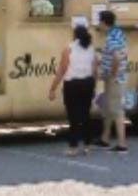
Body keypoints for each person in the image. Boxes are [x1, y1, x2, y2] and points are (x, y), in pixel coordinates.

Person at [48, 25, 97, 156]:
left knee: (73, 116)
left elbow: (62, 70)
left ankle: (73, 146)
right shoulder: (91, 49)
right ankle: (87, 145)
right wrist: (94, 86)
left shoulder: (68, 50)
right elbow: (94, 70)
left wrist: (52, 88)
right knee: (86, 114)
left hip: (72, 84)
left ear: (74, 35)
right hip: (87, 82)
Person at [95, 10, 129, 153]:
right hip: (116, 76)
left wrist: (112, 74)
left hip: (115, 78)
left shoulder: (111, 38)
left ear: (104, 22)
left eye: (100, 21)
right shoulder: (117, 33)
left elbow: (115, 57)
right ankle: (105, 138)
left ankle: (122, 144)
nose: (98, 24)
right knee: (109, 108)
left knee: (116, 110)